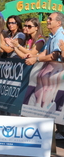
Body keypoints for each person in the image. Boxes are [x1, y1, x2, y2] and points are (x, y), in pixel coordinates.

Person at [25, 12, 64, 140]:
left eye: (50, 19)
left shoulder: (60, 35)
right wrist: (34, 57)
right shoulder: (52, 35)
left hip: (57, 76)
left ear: (58, 22)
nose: (47, 20)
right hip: (50, 76)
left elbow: (55, 56)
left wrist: (35, 59)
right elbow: (46, 52)